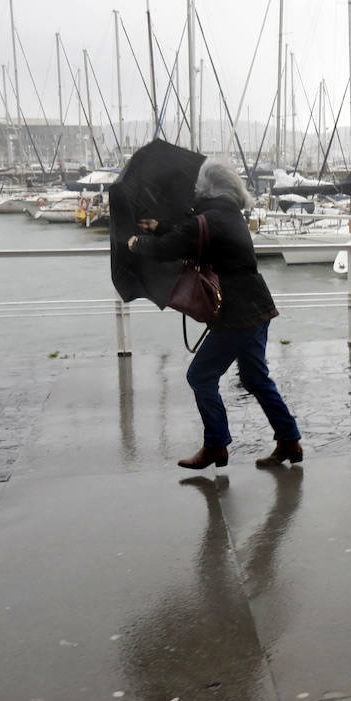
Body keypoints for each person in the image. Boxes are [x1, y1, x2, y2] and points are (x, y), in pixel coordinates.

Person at [126, 158, 304, 470]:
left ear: (204, 189)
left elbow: (173, 245)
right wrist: (160, 227)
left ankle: (215, 446)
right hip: (257, 306)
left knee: (201, 375)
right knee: (255, 378)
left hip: (235, 312)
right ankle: (289, 440)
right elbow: (197, 236)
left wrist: (139, 243)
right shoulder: (228, 213)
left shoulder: (205, 219)